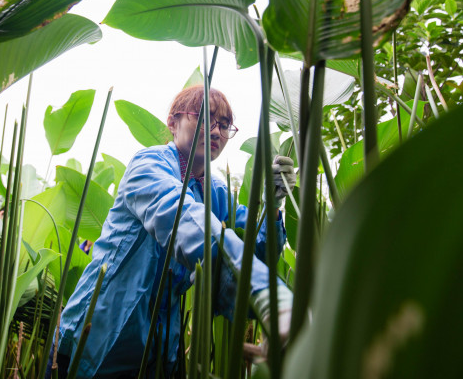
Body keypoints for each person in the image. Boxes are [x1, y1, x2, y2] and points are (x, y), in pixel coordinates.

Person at [50, 86, 296, 378]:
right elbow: (185, 221)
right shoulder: (147, 165)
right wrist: (273, 299)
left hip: (159, 347)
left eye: (225, 125)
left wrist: (273, 203)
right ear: (172, 122)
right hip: (99, 333)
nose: (216, 132)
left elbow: (255, 253)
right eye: (205, 118)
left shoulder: (215, 192)